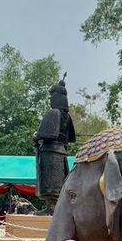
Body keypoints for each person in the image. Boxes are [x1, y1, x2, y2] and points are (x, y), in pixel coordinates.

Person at [34, 73, 76, 214]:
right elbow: (68, 138)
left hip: (50, 153)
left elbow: (43, 133)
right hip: (61, 151)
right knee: (59, 183)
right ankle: (55, 209)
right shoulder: (67, 117)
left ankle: (51, 209)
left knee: (51, 183)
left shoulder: (53, 113)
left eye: (52, 96)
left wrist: (36, 137)